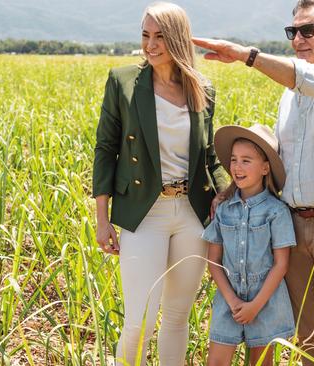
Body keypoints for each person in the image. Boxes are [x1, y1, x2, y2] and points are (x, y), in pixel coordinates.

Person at [193, 1, 314, 365]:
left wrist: (246, 56)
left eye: (308, 31)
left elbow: (307, 78)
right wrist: (231, 191)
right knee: (308, 334)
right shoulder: (289, 98)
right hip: (293, 224)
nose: (298, 39)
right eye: (293, 32)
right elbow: (276, 162)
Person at [92, 2, 228, 365]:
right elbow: (105, 149)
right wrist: (102, 219)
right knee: (140, 319)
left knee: (178, 316)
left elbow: (209, 156)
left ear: (178, 39)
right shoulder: (123, 82)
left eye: (160, 37)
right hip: (143, 211)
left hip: (192, 213)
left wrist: (228, 191)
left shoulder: (202, 89)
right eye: (145, 35)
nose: (150, 45)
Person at [203, 124, 296, 366]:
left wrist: (255, 305)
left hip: (265, 300)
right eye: (234, 160)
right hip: (228, 298)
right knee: (216, 362)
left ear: (266, 168)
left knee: (261, 363)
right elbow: (213, 262)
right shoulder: (224, 210)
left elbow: (281, 264)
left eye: (246, 160)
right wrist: (233, 301)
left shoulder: (276, 211)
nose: (237, 167)